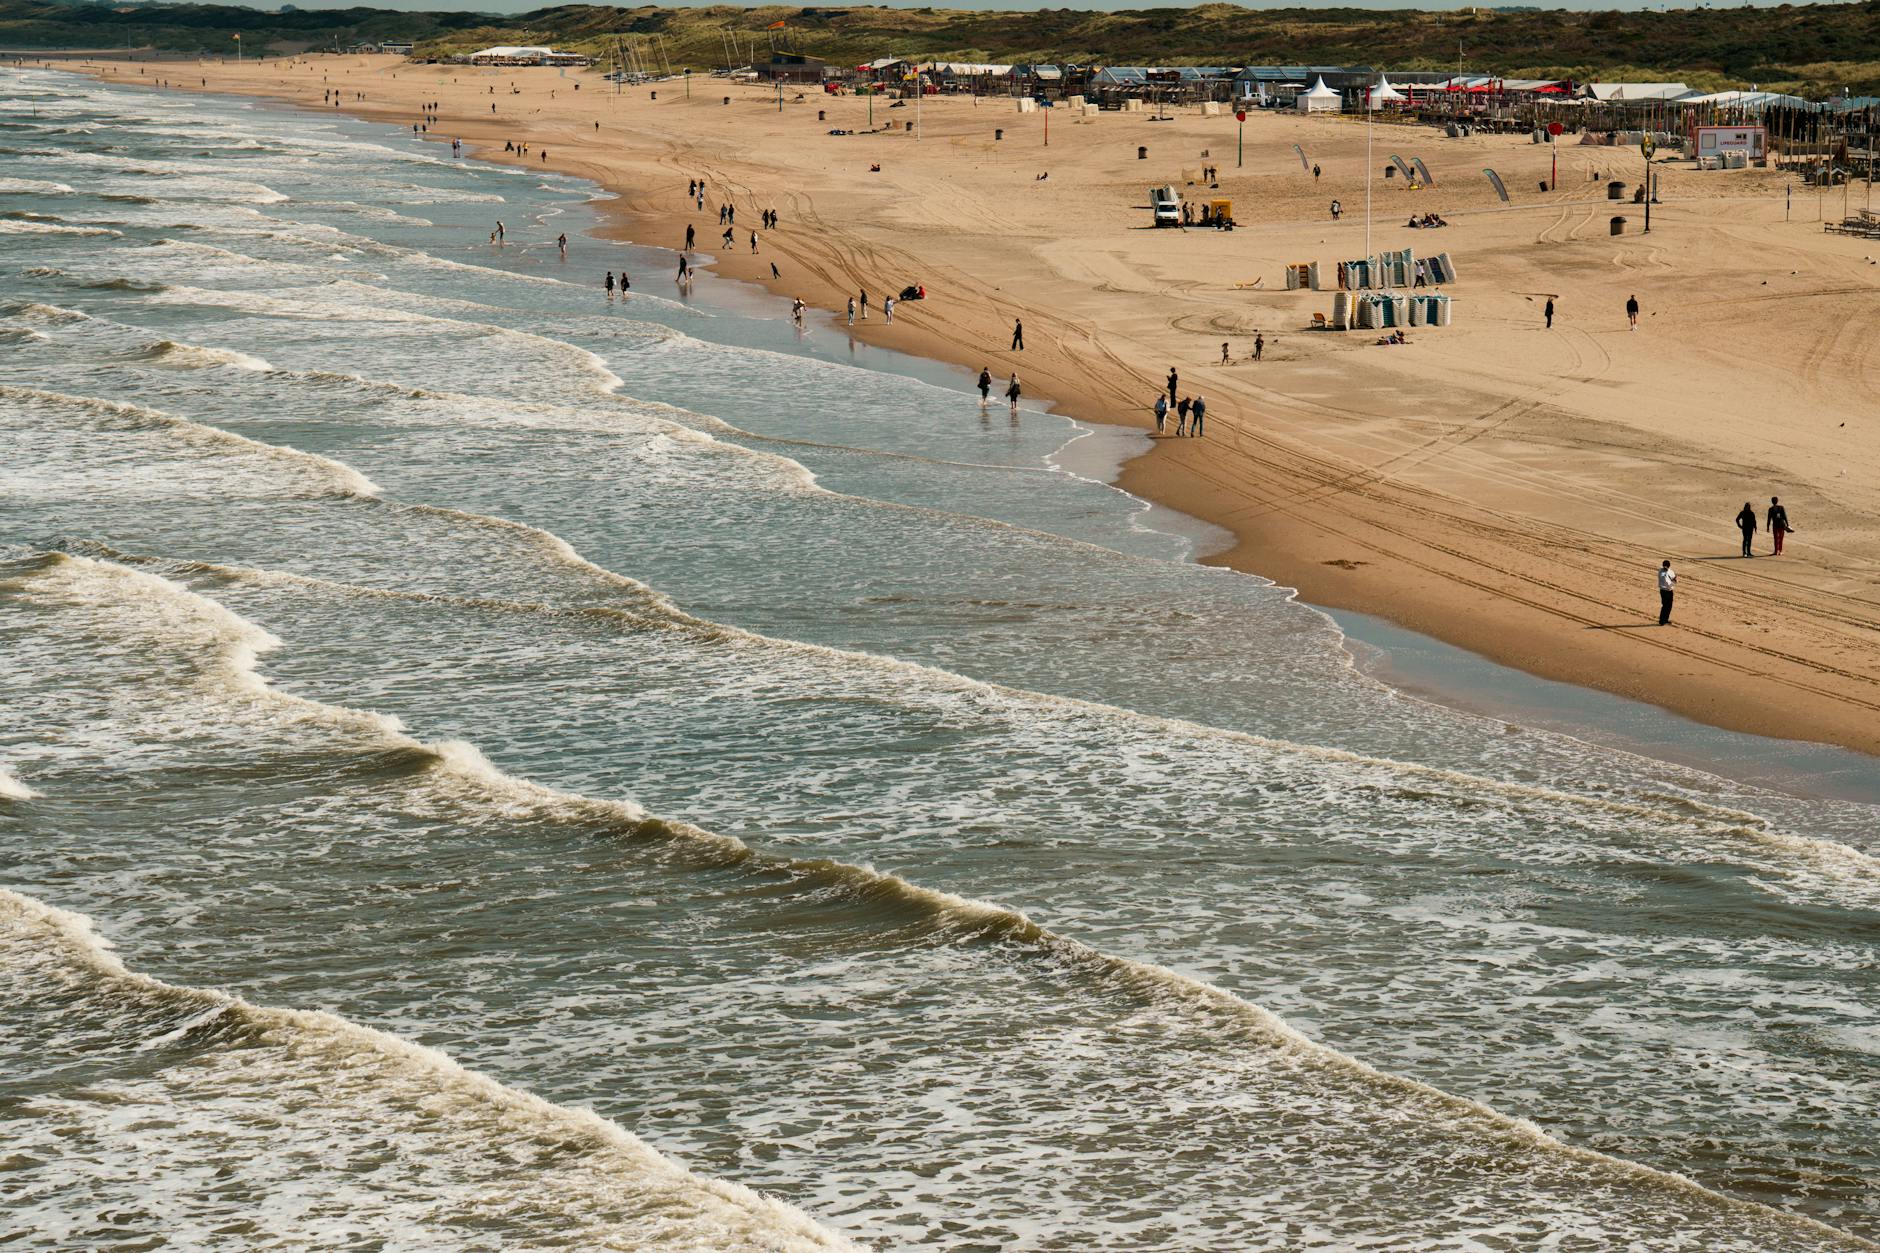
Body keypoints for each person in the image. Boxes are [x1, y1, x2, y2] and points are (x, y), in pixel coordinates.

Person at [1657, 560, 1677, 625]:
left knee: (1669, 606)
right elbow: (1665, 580)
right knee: (1665, 606)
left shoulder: (1670, 571)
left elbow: (1674, 579)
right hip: (1664, 591)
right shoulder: (1661, 572)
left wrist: (1673, 581)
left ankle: (1666, 619)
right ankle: (1662, 621)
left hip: (1670, 591)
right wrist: (1672, 583)